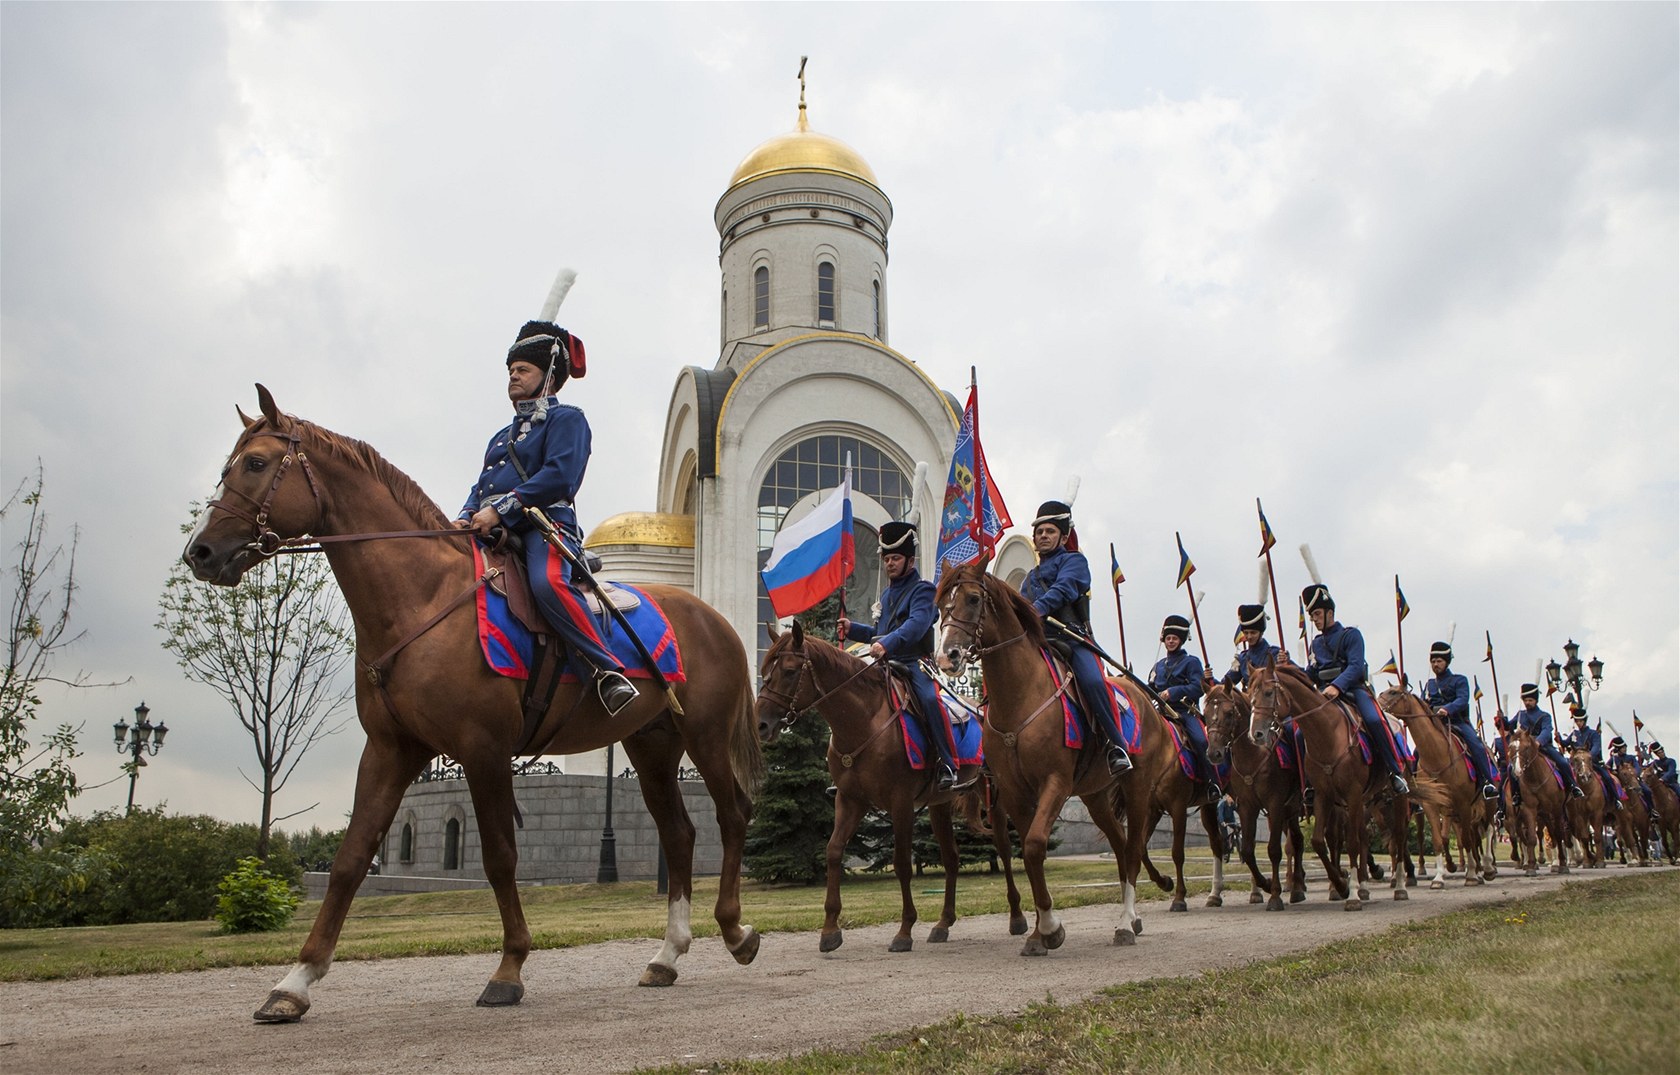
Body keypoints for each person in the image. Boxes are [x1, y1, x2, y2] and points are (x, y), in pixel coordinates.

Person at [457, 319, 638, 716]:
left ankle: (604, 670)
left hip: (544, 527)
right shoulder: (501, 436)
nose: (513, 377)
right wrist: (466, 514)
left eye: (522, 370)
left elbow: (560, 476)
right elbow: (482, 485)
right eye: (510, 371)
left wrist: (501, 509)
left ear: (548, 376)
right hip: (493, 530)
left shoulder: (567, 419)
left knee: (546, 583)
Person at [837, 521, 959, 792]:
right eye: (887, 558)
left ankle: (947, 763)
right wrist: (853, 628)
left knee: (929, 699)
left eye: (896, 558)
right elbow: (880, 633)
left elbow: (915, 626)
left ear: (910, 560)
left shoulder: (924, 590)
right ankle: (850, 767)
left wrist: (887, 644)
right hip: (885, 664)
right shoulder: (887, 592)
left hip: (914, 663)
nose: (890, 564)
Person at [1020, 501, 1132, 776]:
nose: (1043, 536)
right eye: (1040, 531)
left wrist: (1037, 609)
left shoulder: (1074, 562)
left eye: (1050, 531)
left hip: (1071, 640)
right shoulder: (1029, 578)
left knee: (1093, 682)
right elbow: (1019, 605)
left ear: (1063, 536)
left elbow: (1065, 588)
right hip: (1039, 644)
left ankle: (1115, 745)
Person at [1301, 584, 1411, 795]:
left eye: (1316, 614)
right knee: (1300, 732)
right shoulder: (1315, 644)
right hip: (1323, 696)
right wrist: (1291, 672)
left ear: (1329, 612)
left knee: (1374, 720)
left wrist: (1337, 686)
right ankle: (1308, 784)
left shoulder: (1351, 635)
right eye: (1311, 615)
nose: (1313, 619)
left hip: (1353, 691)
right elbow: (1311, 673)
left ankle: (1394, 772)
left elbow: (1355, 666)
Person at [1150, 614, 1220, 804]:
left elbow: (1198, 688)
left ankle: (1213, 783)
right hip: (1162, 713)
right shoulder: (1158, 666)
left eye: (1174, 638)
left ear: (1181, 640)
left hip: (1185, 712)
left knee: (1201, 741)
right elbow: (1150, 689)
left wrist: (1172, 692)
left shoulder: (1191, 662)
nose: (1171, 641)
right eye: (1168, 638)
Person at [1421, 641, 1499, 800]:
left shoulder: (1459, 680)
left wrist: (1447, 709)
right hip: (1436, 726)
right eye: (1433, 661)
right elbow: (1424, 703)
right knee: (1418, 752)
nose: (1435, 664)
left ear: (1447, 662)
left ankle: (1486, 783)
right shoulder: (1429, 685)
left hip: (1458, 723)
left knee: (1476, 745)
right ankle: (1418, 788)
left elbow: (1463, 699)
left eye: (1439, 661)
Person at [1501, 684, 1584, 798]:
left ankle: (1573, 786)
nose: (1527, 703)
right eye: (1525, 700)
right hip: (1525, 748)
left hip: (1543, 746)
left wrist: (1538, 742)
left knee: (1563, 762)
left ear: (1536, 700)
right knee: (1511, 767)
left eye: (1530, 700)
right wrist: (1502, 720)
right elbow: (1509, 726)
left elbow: (1546, 730)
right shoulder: (1521, 715)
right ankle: (1516, 794)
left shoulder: (1545, 716)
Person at [1563, 707, 1621, 809]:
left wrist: (1588, 756)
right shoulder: (1574, 734)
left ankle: (1616, 800)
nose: (1579, 723)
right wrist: (1558, 737)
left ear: (1584, 721)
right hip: (1576, 764)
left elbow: (1596, 747)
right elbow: (1565, 743)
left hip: (1593, 763)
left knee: (1607, 777)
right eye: (1577, 721)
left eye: (1581, 721)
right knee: (1565, 776)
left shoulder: (1593, 734)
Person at [1222, 604, 1282, 688]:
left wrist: (1285, 662)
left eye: (1253, 632)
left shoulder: (1276, 654)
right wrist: (1209, 679)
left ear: (1261, 633)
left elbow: (1299, 674)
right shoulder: (1242, 659)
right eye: (1246, 633)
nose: (1249, 636)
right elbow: (1224, 685)